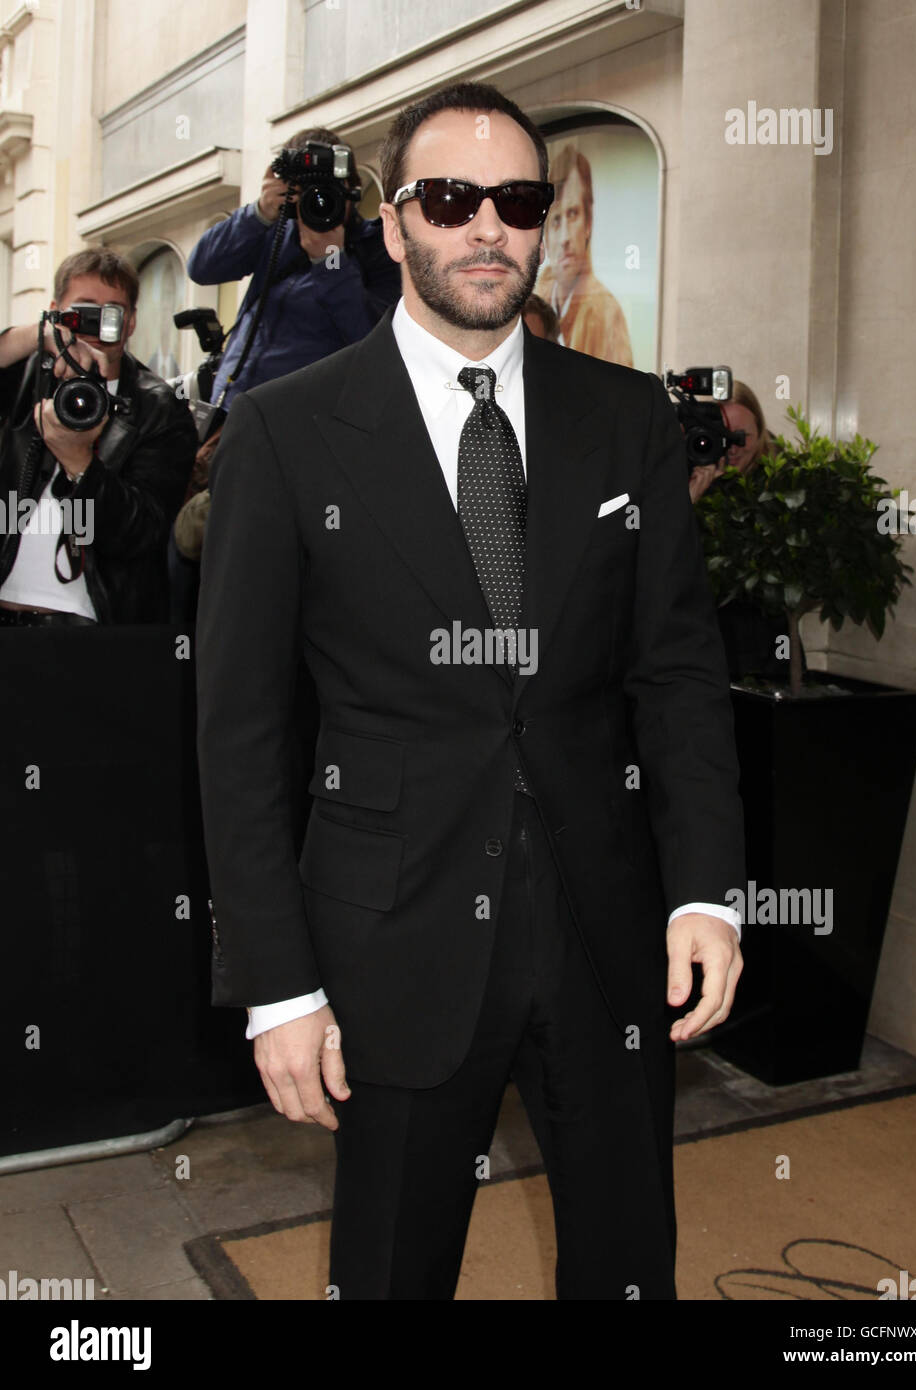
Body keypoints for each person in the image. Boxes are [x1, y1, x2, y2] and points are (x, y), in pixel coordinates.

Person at [196, 80, 745, 1301]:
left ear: (544, 220)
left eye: (515, 200)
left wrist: (704, 886)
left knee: (626, 1263)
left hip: (605, 930)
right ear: (393, 226)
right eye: (449, 199)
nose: (485, 227)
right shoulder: (286, 434)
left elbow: (677, 672)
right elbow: (239, 730)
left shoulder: (626, 418)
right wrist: (277, 983)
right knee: (390, 1269)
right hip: (387, 936)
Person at [0, 249, 196, 626]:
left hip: (91, 630)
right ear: (56, 310)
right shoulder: (26, 377)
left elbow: (142, 534)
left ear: (132, 322)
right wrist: (38, 336)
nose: (97, 324)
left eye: (113, 312)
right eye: (84, 311)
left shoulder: (158, 408)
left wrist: (79, 461)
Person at [187, 127, 401, 411]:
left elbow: (373, 340)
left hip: (306, 427)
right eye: (305, 191)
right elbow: (202, 268)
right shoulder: (276, 234)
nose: (319, 200)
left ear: (352, 188)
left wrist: (330, 262)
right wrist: (258, 214)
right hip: (235, 412)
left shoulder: (380, 249)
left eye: (331, 189)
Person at [688, 380, 797, 680]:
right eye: (722, 437)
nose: (732, 448)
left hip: (767, 647)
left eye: (741, 437)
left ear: (760, 431)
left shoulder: (784, 483)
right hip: (704, 644)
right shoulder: (686, 474)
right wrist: (691, 499)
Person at [534, 143, 634, 367]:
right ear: (545, 235)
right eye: (556, 220)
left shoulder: (607, 314)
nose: (565, 237)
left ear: (588, 223)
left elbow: (620, 399)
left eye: (573, 214)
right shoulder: (535, 299)